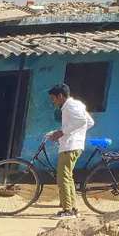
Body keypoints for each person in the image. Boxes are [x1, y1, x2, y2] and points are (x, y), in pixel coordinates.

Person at [46, 83, 94, 219]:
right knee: (68, 177)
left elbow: (82, 121)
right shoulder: (76, 104)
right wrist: (71, 133)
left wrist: (63, 132)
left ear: (60, 96)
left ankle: (68, 211)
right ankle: (73, 208)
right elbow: (90, 122)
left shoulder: (70, 106)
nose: (53, 101)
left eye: (53, 98)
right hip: (73, 144)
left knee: (63, 178)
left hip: (70, 146)